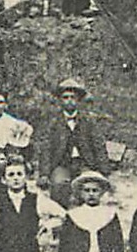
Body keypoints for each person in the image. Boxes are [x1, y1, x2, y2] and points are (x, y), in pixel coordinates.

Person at [42, 77, 110, 207]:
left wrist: (104, 170)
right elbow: (46, 148)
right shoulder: (53, 122)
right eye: (65, 97)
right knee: (59, 184)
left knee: (89, 186)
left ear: (78, 100)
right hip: (62, 163)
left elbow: (98, 145)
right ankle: (62, 217)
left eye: (72, 97)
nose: (69, 101)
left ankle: (85, 216)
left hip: (85, 163)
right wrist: (44, 173)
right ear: (60, 101)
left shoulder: (88, 121)